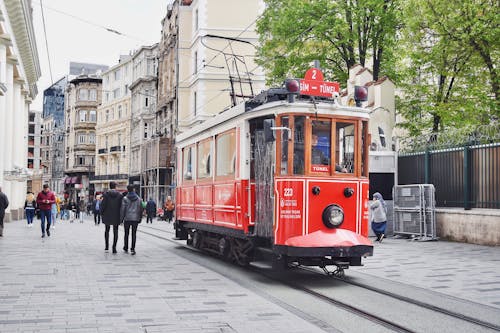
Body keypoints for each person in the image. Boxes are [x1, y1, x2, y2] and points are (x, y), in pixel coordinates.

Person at [100, 182, 123, 254]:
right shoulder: (119, 195)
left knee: (107, 230)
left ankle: (107, 246)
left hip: (107, 215)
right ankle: (114, 247)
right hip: (116, 215)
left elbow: (103, 205)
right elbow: (121, 206)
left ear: (109, 186)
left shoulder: (106, 195)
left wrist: (101, 213)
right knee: (115, 231)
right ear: (115, 187)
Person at [121, 185, 143, 255]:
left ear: (127, 190)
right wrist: (140, 218)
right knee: (134, 234)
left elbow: (123, 210)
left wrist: (121, 219)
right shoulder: (139, 199)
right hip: (135, 218)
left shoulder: (125, 198)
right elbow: (140, 209)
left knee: (126, 234)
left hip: (127, 218)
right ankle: (133, 248)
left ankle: (126, 247)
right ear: (133, 189)